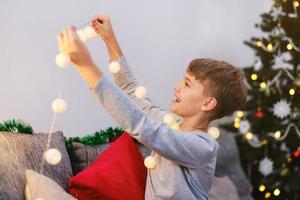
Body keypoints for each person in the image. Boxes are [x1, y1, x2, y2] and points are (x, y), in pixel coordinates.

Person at [57, 15, 247, 200]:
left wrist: (86, 65)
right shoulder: (171, 124)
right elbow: (133, 94)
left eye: (187, 84)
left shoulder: (202, 147)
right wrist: (110, 39)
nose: (177, 86)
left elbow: (143, 126)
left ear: (207, 103)